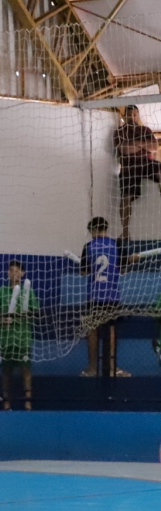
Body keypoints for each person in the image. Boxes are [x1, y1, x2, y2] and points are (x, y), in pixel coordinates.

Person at [80, 216, 138, 377]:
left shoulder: (88, 246)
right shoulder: (117, 244)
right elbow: (123, 270)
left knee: (92, 331)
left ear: (93, 230)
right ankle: (112, 368)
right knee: (111, 330)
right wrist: (130, 260)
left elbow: (83, 272)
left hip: (94, 296)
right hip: (112, 296)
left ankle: (92, 368)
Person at [0, 259, 37, 410]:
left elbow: (35, 312)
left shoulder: (28, 292)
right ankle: (6, 403)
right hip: (6, 338)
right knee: (6, 371)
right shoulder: (1, 291)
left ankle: (28, 402)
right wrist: (2, 319)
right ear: (7, 273)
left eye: (17, 271)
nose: (14, 273)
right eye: (11, 270)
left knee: (26, 370)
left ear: (22, 273)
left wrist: (26, 314)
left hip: (23, 337)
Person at [114, 106, 160, 241]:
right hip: (129, 168)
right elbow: (125, 149)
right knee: (125, 197)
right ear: (125, 116)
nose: (132, 117)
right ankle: (125, 232)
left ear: (138, 115)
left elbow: (154, 147)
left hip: (145, 163)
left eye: (135, 114)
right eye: (130, 115)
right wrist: (143, 145)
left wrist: (135, 144)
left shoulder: (145, 130)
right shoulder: (119, 131)